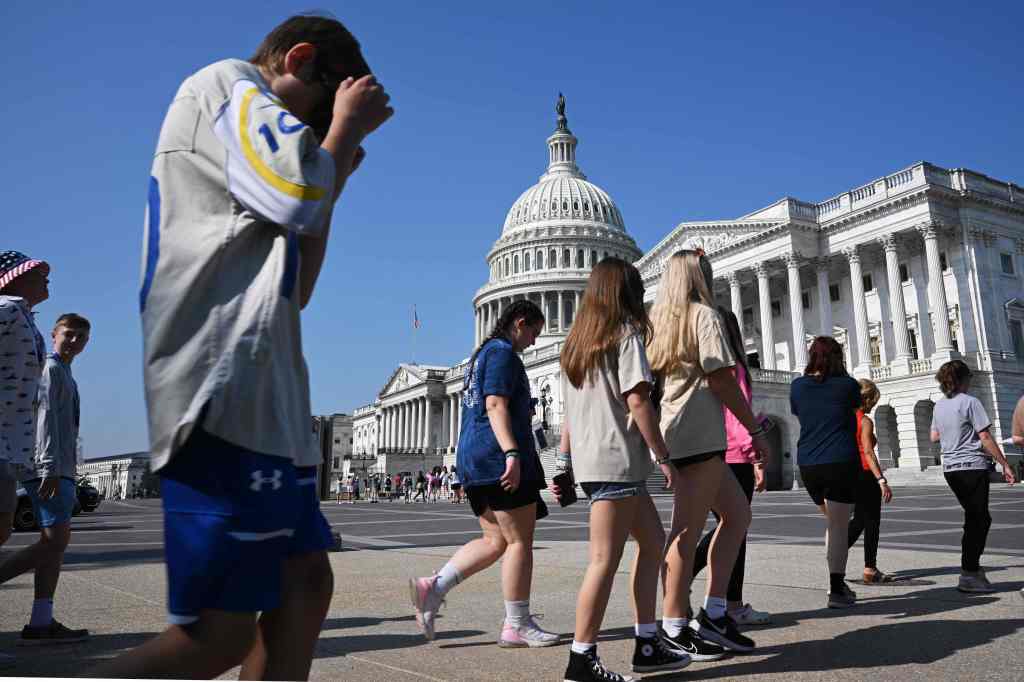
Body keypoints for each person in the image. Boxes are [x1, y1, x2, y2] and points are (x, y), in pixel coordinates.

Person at [92, 14, 393, 681]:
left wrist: (333, 167)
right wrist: (339, 137)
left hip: (267, 398)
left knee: (306, 585)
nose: (308, 137)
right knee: (217, 637)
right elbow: (296, 193)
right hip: (220, 383)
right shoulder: (228, 86)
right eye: (309, 118)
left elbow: (300, 284)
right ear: (299, 59)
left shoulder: (261, 145)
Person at [556, 258, 690, 682]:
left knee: (652, 544)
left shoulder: (577, 346)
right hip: (617, 462)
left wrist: (563, 461)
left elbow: (569, 417)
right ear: (626, 292)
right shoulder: (626, 334)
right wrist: (663, 456)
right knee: (603, 561)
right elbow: (638, 401)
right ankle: (581, 659)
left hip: (599, 462)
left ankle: (647, 642)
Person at [410, 300, 558, 649]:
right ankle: (517, 623)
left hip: (473, 457)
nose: (535, 342)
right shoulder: (503, 354)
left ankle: (434, 587)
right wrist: (511, 452)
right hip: (496, 455)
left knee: (495, 540)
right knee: (520, 541)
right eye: (534, 332)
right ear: (519, 323)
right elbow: (495, 404)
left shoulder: (480, 356)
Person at [647, 250, 770, 654]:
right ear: (700, 277)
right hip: (699, 433)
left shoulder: (658, 321)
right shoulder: (704, 316)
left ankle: (714, 613)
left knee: (737, 515)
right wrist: (753, 427)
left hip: (677, 431)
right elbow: (722, 378)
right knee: (686, 530)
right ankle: (675, 624)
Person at [0, 314, 91, 645]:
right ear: (54, 334)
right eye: (69, 334)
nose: (74, 341)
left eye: (81, 337)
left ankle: (41, 621)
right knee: (55, 541)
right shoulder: (51, 370)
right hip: (48, 468)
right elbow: (45, 420)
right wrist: (51, 466)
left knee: (54, 549)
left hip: (61, 467)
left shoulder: (66, 373)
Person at [690, 307, 771, 626]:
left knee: (729, 527)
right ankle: (729, 603)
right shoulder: (732, 367)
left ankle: (688, 582)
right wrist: (756, 456)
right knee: (735, 529)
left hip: (712, 452)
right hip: (734, 456)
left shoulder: (707, 367)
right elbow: (737, 417)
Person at [0, 251, 51, 664]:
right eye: (40, 276)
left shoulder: (23, 315)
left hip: (11, 441)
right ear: (15, 279)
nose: (46, 281)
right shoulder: (3, 310)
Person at [931, 360, 1016, 593]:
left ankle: (972, 570)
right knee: (979, 519)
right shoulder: (971, 402)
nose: (971, 381)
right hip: (971, 465)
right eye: (969, 378)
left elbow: (934, 436)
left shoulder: (939, 406)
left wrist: (955, 433)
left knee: (974, 518)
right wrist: (1005, 464)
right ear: (961, 380)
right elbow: (985, 437)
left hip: (951, 469)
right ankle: (969, 572)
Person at [789, 336, 861, 609]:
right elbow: (853, 411)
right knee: (839, 526)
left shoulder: (797, 386)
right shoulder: (848, 385)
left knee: (832, 522)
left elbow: (801, 413)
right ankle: (836, 588)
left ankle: (837, 581)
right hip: (840, 460)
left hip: (809, 463)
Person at [846, 379, 894, 583]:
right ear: (867, 399)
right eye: (874, 399)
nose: (874, 403)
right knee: (872, 521)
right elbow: (867, 451)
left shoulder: (842, 418)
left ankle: (836, 549)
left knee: (858, 520)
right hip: (866, 474)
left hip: (848, 473)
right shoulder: (864, 421)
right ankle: (870, 568)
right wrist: (881, 479)